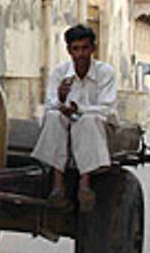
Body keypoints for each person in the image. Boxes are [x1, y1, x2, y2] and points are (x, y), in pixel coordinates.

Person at [32, 24, 117, 210]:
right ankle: (57, 184)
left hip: (96, 128)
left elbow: (107, 109)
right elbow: (50, 106)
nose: (81, 54)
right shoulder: (59, 73)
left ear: (93, 49)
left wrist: (79, 110)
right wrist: (62, 100)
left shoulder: (106, 73)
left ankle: (84, 184)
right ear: (69, 50)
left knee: (87, 120)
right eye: (76, 49)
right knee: (54, 117)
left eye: (85, 48)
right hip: (65, 124)